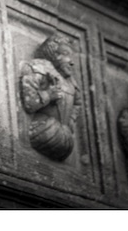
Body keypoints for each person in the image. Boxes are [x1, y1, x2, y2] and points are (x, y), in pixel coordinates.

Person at [18, 33, 82, 161]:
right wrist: (48, 95)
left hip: (65, 138)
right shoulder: (37, 68)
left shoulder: (70, 81)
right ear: (52, 54)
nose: (71, 62)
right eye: (65, 54)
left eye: (71, 56)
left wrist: (70, 121)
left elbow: (77, 102)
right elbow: (30, 104)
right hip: (42, 130)